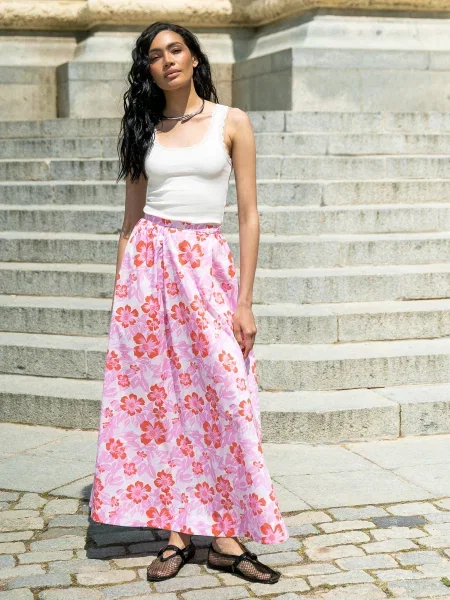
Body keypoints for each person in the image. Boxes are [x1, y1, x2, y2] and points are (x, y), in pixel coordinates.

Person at [89, 20, 289, 584]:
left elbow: (248, 215)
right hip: (149, 273)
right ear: (148, 69)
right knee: (163, 404)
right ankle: (178, 533)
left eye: (176, 49)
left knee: (226, 396)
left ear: (195, 57)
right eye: (155, 55)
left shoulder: (232, 122)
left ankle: (226, 537)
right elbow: (130, 221)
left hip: (206, 269)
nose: (167, 60)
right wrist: (122, 299)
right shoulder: (142, 128)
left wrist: (245, 302)